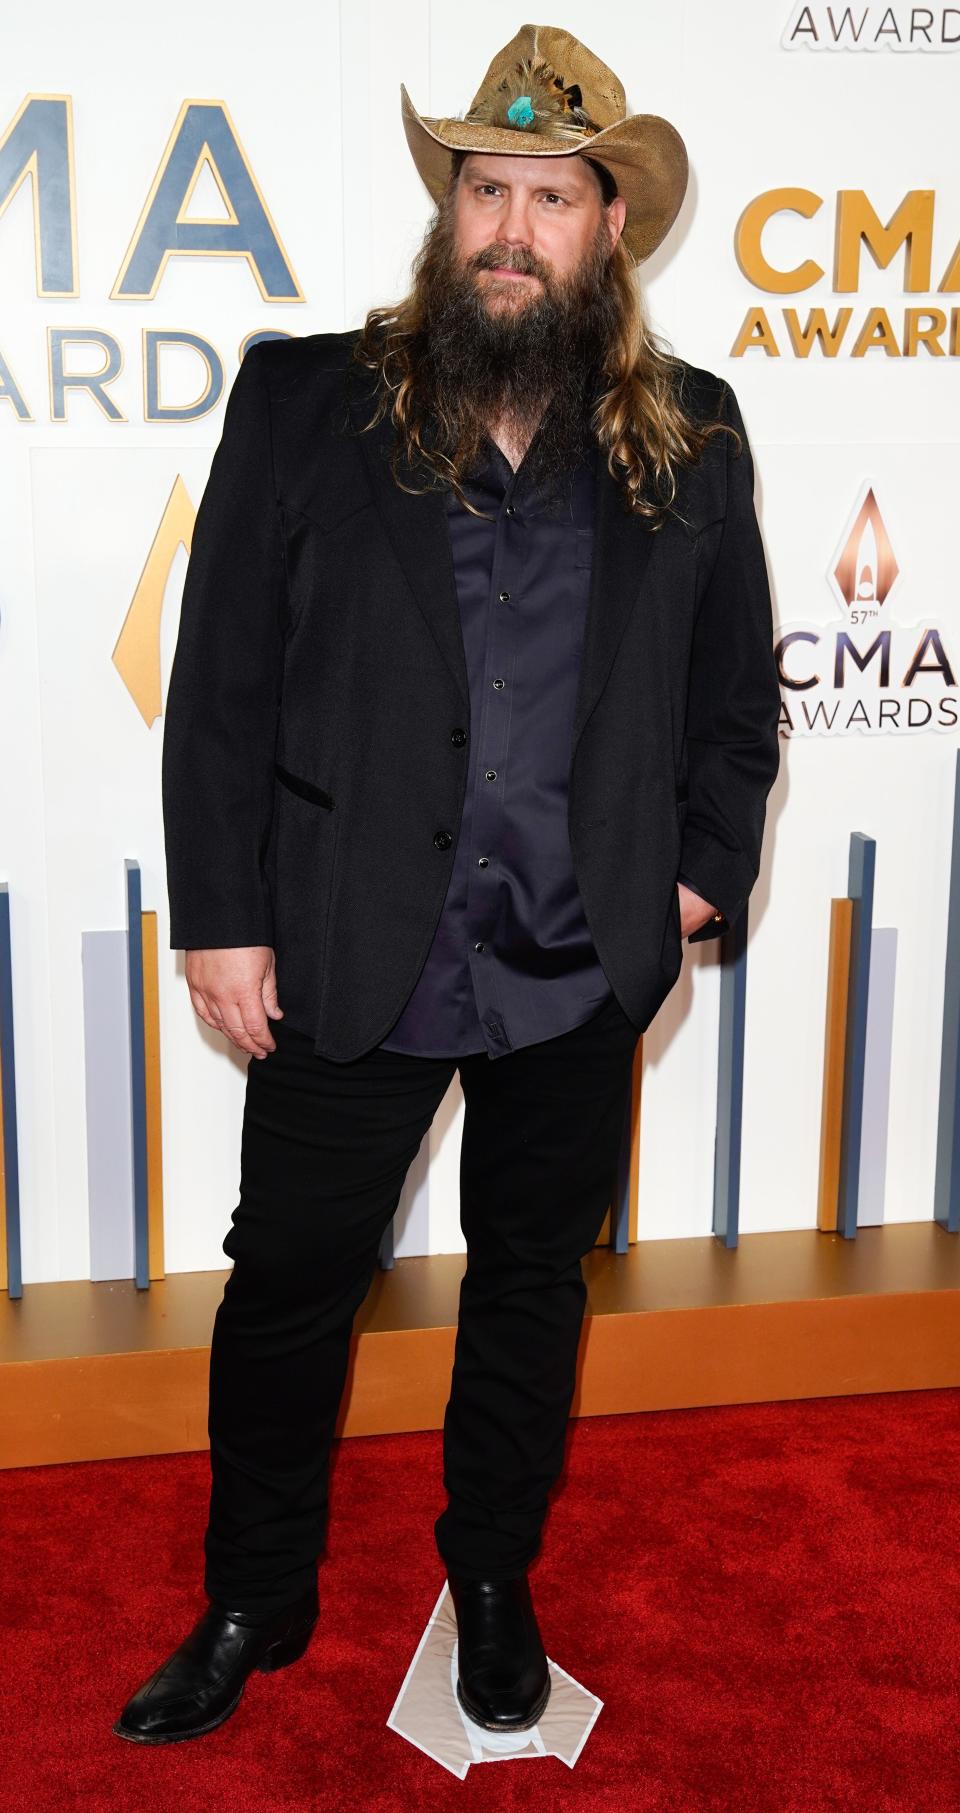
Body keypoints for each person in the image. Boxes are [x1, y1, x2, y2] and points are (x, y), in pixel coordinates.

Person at [113, 22, 781, 1746]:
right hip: (348, 940)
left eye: (551, 196)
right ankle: (254, 1594)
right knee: (287, 1285)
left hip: (576, 955)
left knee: (530, 1287)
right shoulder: (305, 399)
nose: (511, 226)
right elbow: (225, 686)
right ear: (449, 208)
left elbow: (732, 703)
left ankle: (491, 1573)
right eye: (486, 187)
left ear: (606, 227)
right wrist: (222, 914)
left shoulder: (690, 437)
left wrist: (698, 880)